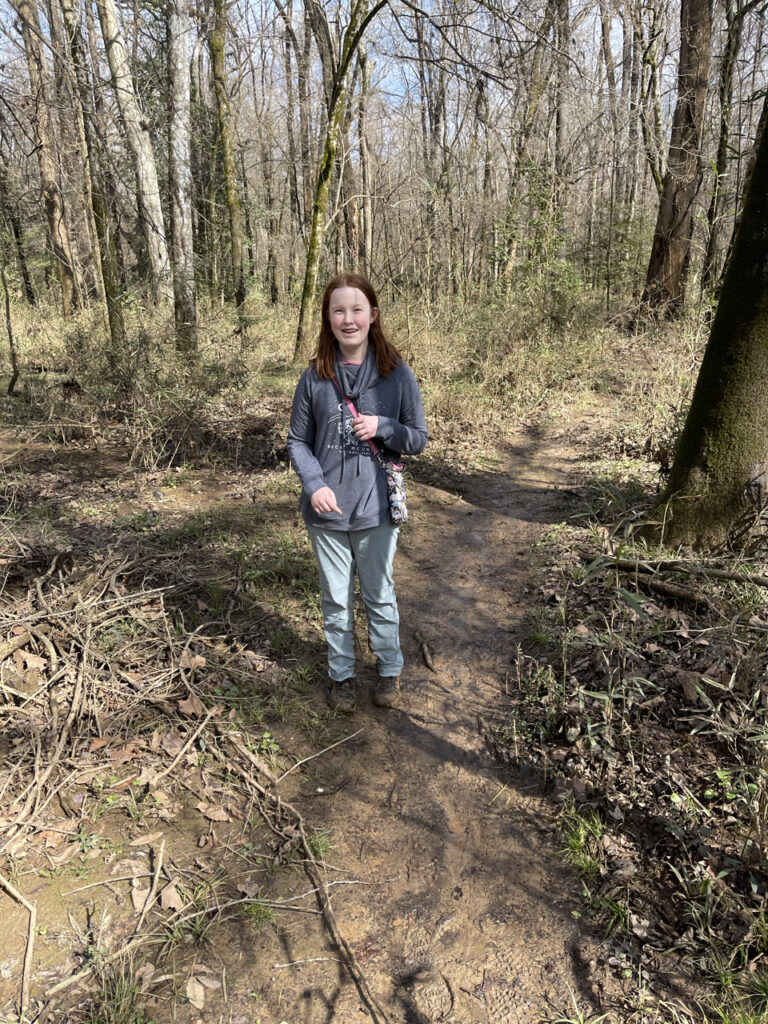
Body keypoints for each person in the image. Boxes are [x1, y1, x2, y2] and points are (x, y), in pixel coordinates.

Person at [287, 273, 428, 712]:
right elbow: (296, 441)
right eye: (338, 310)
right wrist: (314, 485)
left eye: (356, 310)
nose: (348, 319)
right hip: (327, 514)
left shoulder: (396, 375)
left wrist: (384, 427)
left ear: (373, 316)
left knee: (379, 595)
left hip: (376, 509)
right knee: (335, 601)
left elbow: (418, 438)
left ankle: (389, 671)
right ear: (328, 319)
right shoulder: (315, 378)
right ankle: (342, 676)